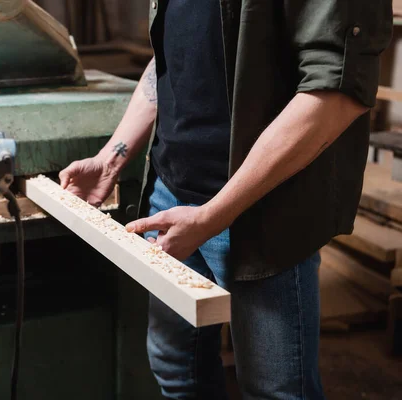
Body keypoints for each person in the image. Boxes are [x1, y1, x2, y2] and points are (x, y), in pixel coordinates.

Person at [59, 1, 393, 399]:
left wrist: (214, 215)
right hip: (171, 193)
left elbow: (336, 91)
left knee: (276, 391)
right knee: (177, 371)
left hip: (261, 213)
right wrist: (111, 158)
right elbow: (172, 53)